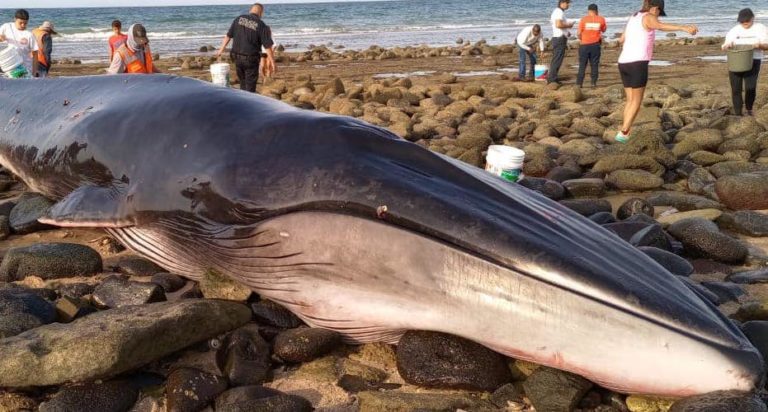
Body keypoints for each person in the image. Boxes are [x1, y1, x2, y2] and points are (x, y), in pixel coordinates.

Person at [615, 0, 697, 142]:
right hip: (637, 62)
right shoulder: (649, 17)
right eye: (659, 12)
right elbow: (660, 26)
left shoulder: (633, 17)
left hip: (623, 62)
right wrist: (683, 28)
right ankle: (624, 132)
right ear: (656, 8)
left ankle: (624, 130)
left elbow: (622, 39)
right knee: (636, 101)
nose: (658, 16)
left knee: (630, 100)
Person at [215, 3, 276, 93]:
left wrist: (221, 50)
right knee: (250, 87)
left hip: (236, 58)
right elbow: (267, 45)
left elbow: (228, 36)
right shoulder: (261, 25)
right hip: (250, 59)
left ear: (250, 10)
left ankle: (243, 98)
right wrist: (272, 61)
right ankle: (248, 102)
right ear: (261, 13)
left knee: (242, 83)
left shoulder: (238, 19)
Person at [722, 8, 768, 117]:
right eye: (742, 21)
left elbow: (767, 46)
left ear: (753, 18)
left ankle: (749, 109)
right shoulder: (734, 30)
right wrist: (726, 46)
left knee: (750, 87)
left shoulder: (760, 28)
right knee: (736, 88)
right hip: (735, 61)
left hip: (753, 60)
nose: (744, 23)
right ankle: (738, 113)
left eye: (747, 20)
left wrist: (759, 45)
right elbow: (724, 46)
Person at [0, 9, 40, 78]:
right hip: (10, 66)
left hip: (25, 68)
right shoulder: (6, 27)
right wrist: (1, 38)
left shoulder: (29, 35)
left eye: (25, 23)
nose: (23, 25)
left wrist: (34, 72)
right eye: (20, 22)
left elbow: (35, 55)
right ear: (15, 19)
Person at [576, 4, 607, 88]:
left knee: (582, 64)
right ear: (597, 11)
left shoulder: (583, 19)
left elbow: (578, 33)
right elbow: (604, 30)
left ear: (588, 11)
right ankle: (593, 83)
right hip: (595, 45)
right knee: (594, 65)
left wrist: (581, 38)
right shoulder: (601, 19)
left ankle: (579, 83)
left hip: (584, 45)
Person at [548, 0, 574, 85]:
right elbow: (558, 25)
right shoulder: (558, 12)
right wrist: (569, 25)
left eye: (569, 3)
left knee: (556, 58)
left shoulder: (558, 12)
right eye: (567, 3)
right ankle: (552, 79)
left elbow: (559, 26)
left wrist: (567, 32)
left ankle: (553, 78)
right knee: (557, 59)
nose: (568, 5)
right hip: (559, 38)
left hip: (559, 37)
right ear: (561, 3)